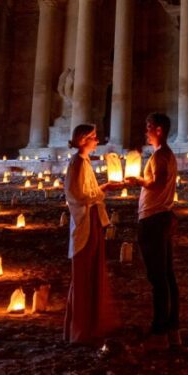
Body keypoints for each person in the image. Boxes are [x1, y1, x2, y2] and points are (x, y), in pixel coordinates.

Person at [63, 122, 119, 345]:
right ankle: (81, 329)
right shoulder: (77, 162)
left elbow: (88, 191)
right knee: (84, 273)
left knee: (92, 271)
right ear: (83, 140)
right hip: (85, 222)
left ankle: (91, 324)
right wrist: (99, 193)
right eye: (94, 137)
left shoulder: (84, 162)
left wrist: (103, 188)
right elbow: (75, 195)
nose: (98, 140)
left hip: (92, 219)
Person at [128, 112, 180, 348]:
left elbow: (158, 183)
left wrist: (138, 180)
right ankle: (172, 329)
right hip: (163, 216)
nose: (146, 131)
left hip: (153, 219)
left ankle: (160, 331)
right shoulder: (168, 155)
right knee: (167, 276)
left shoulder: (160, 156)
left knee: (158, 277)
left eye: (149, 127)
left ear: (158, 130)